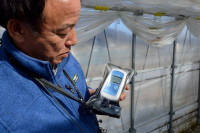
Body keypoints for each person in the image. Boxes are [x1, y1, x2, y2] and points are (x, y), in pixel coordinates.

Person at [0, 0, 128, 132]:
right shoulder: (7, 119)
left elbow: (63, 91)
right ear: (18, 30)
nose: (74, 40)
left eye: (74, 27)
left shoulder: (56, 55)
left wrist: (92, 98)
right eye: (62, 32)